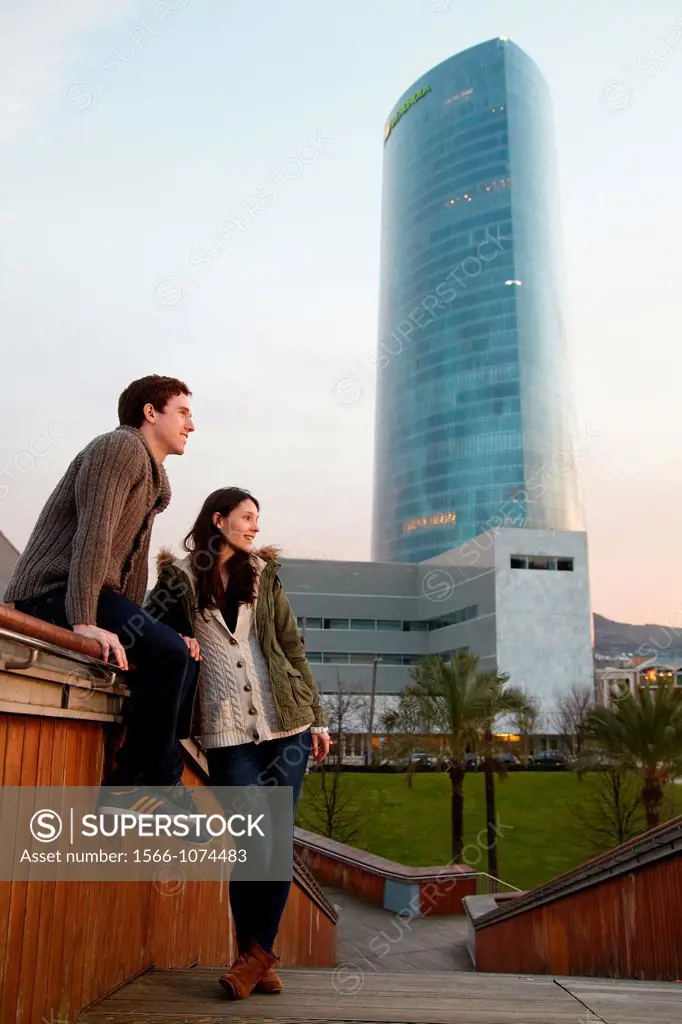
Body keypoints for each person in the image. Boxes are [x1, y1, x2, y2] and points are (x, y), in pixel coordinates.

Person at [145, 486, 330, 1000]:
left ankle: (252, 958)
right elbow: (146, 631)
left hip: (285, 725)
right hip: (226, 734)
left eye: (258, 519)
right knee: (251, 843)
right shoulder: (179, 578)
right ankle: (258, 956)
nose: (254, 527)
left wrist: (317, 719)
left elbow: (292, 648)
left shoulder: (265, 576)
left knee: (274, 842)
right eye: (247, 518)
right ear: (218, 519)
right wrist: (174, 640)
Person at [5, 375, 204, 819]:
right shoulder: (120, 448)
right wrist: (83, 620)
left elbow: (131, 576)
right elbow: (92, 538)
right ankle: (151, 785)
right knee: (169, 654)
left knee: (181, 656)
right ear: (151, 413)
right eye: (184, 412)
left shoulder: (154, 479)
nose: (192, 424)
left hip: (93, 594)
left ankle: (135, 783)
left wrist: (151, 629)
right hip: (50, 592)